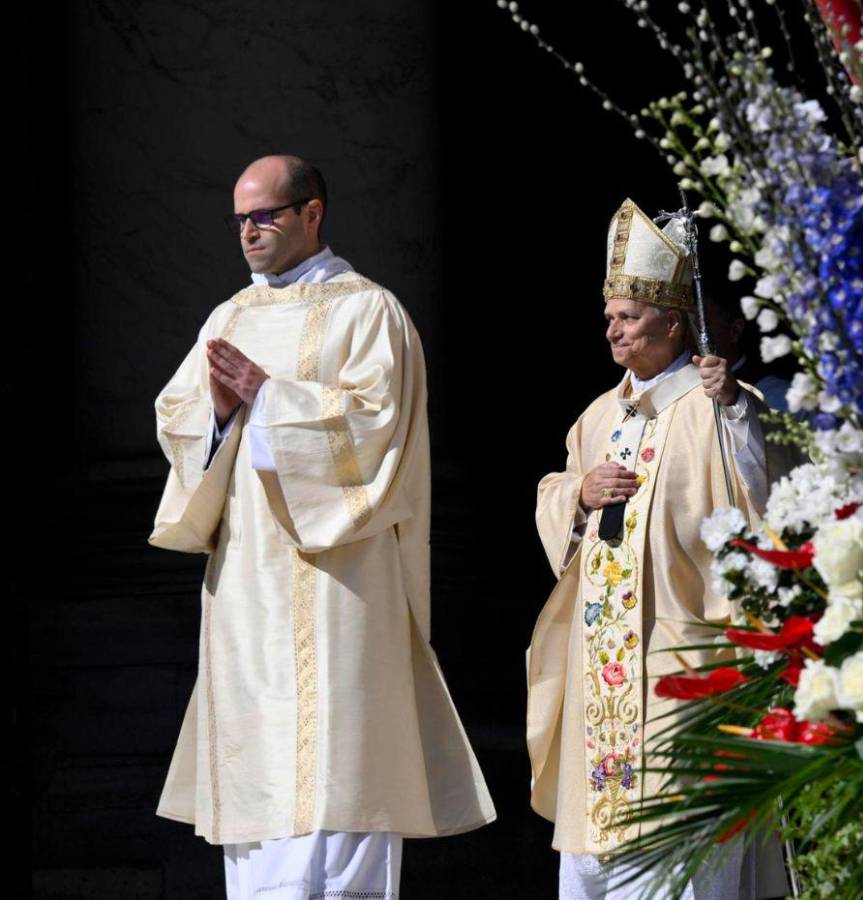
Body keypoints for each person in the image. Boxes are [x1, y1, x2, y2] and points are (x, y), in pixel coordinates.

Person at [148, 154, 495, 899]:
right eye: (241, 217)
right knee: (258, 790)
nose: (249, 231)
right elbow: (177, 422)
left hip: (341, 590)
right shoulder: (229, 317)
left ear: (312, 213)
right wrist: (215, 413)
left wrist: (271, 401)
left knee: (342, 783)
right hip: (247, 593)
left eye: (265, 214)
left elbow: (380, 432)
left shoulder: (369, 311)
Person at [527, 198, 790, 898]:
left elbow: (759, 500)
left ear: (673, 322)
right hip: (603, 667)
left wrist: (734, 408)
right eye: (609, 315)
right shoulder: (596, 416)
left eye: (628, 316)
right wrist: (579, 495)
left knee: (678, 858)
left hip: (683, 662)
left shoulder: (718, 407)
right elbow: (554, 495)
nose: (611, 328)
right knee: (595, 858)